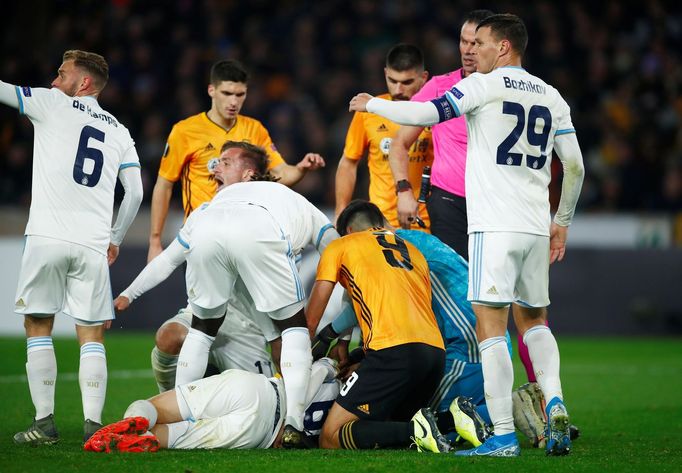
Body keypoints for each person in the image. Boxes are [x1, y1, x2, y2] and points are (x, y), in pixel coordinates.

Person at [349, 13, 585, 457]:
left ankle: (501, 435)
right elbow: (574, 166)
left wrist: (373, 104)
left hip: (493, 225)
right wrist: (563, 221)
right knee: (534, 320)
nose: (472, 51)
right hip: (536, 225)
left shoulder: (483, 85)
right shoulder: (552, 96)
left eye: (482, 43)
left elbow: (423, 113)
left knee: (490, 328)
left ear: (504, 48)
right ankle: (553, 400)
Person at [147, 60, 324, 393]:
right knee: (193, 328)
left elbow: (278, 173)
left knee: (272, 329)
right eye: (227, 93)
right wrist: (155, 240)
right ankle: (175, 398)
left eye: (240, 94)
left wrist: (300, 169)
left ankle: (291, 399)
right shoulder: (186, 131)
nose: (234, 101)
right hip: (208, 244)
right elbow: (164, 184)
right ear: (211, 90)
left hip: (247, 245)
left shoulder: (254, 129)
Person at [0, 50, 144, 444]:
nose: (53, 81)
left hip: (46, 236)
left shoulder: (51, 104)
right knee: (91, 334)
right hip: (93, 244)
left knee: (38, 324)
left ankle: (44, 423)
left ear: (82, 83)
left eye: (61, 74)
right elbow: (135, 193)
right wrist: (115, 237)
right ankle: (94, 426)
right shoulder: (118, 130)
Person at [168, 141, 339, 448]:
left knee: (278, 346)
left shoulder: (273, 197)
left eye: (225, 163)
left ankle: (293, 413)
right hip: (227, 301)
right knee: (172, 337)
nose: (214, 169)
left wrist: (298, 169)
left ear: (249, 175)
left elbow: (329, 241)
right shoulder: (210, 208)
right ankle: (187, 404)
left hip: (258, 295)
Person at [306, 201, 450, 452]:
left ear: (349, 230)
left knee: (330, 437)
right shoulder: (414, 253)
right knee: (381, 428)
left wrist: (305, 353)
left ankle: (420, 430)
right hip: (434, 356)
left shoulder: (341, 245)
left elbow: (310, 320)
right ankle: (453, 421)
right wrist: (359, 355)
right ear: (380, 223)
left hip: (392, 354)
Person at [388, 9, 494, 260]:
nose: (467, 50)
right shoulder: (439, 87)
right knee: (457, 282)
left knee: (495, 288)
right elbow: (399, 143)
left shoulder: (507, 91)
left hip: (494, 202)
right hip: (449, 201)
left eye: (475, 44)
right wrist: (403, 190)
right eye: (463, 42)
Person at [84, 358, 341, 452]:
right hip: (260, 434)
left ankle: (137, 419)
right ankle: (143, 437)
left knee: (154, 406)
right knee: (172, 437)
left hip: (257, 390)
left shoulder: (339, 379)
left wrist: (332, 362)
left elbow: (318, 367)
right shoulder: (347, 415)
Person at [335, 44, 432, 229]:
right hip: (381, 222)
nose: (398, 90)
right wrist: (340, 210)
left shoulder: (434, 112)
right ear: (385, 73)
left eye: (407, 82)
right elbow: (348, 162)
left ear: (424, 77)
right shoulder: (370, 110)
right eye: (392, 80)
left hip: (428, 221)